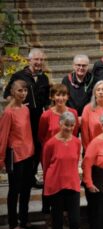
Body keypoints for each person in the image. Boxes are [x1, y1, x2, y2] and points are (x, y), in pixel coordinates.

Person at [3, 48, 50, 188]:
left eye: (41, 60)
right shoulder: (18, 75)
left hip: (38, 118)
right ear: (29, 60)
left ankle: (31, 176)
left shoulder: (44, 78)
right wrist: (19, 103)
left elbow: (47, 99)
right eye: (36, 59)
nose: (39, 62)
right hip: (21, 118)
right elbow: (7, 94)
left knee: (36, 148)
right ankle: (20, 179)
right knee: (23, 148)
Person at [0, 80, 35, 229]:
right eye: (20, 90)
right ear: (13, 92)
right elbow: (3, 137)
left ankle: (24, 219)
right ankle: (13, 224)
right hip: (15, 155)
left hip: (28, 154)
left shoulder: (25, 109)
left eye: (25, 90)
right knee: (14, 190)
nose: (23, 93)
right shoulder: (9, 112)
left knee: (27, 188)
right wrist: (1, 160)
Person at [42, 112, 81, 229]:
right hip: (55, 184)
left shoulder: (77, 142)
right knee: (57, 220)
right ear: (60, 124)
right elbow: (46, 165)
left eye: (72, 125)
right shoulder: (50, 144)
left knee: (75, 220)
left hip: (72, 183)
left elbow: (76, 161)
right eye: (66, 125)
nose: (69, 128)